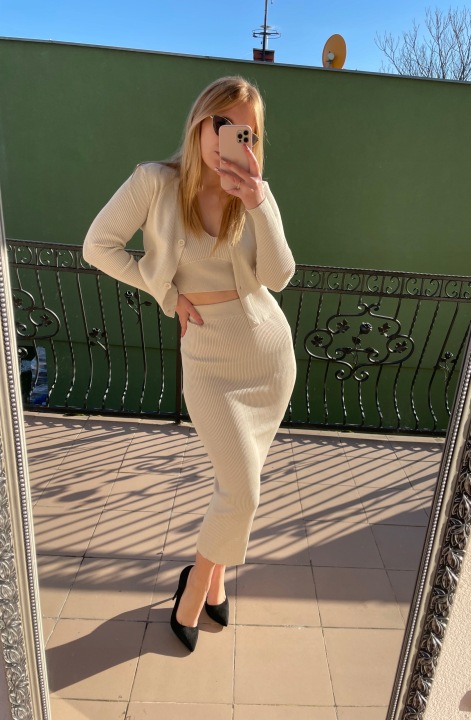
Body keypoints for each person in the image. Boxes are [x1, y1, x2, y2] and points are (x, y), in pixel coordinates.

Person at [83, 76, 296, 652]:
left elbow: (278, 277)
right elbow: (97, 246)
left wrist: (258, 201)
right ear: (201, 123)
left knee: (236, 487)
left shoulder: (253, 196)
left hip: (268, 354)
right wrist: (166, 295)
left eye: (246, 132)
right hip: (207, 358)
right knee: (242, 491)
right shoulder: (154, 183)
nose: (232, 138)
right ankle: (198, 584)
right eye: (222, 124)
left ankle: (207, 583)